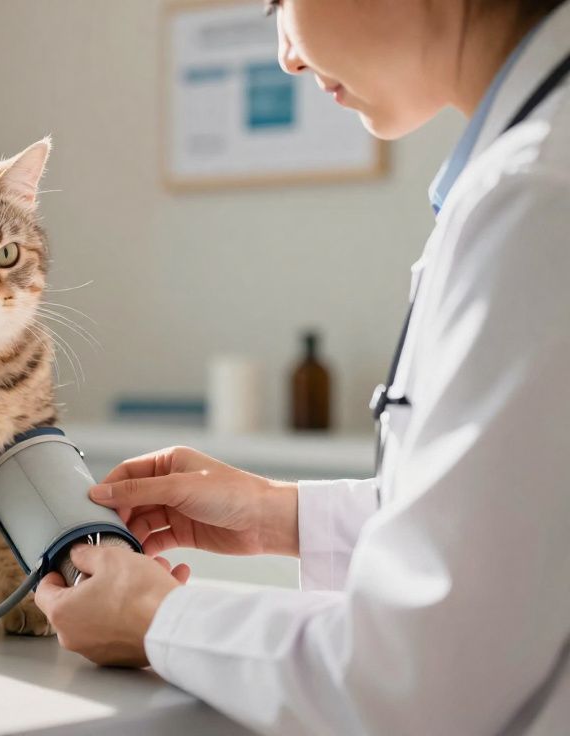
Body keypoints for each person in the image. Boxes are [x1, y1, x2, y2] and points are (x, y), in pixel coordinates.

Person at [33, 0, 570, 733]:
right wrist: (278, 517)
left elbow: (421, 683)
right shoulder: (528, 175)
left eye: (278, 2)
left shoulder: (541, 196)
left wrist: (157, 616)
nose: (286, 52)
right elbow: (524, 533)